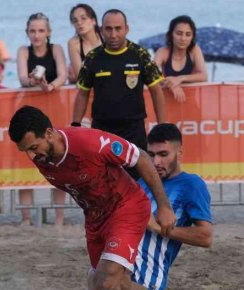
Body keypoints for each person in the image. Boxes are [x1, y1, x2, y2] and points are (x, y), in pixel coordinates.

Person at [8, 105, 188, 290]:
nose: (31, 156)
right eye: (25, 151)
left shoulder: (90, 142)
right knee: (113, 282)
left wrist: (165, 207)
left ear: (49, 134)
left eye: (33, 147)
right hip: (95, 218)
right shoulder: (44, 158)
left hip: (126, 207)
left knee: (106, 281)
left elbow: (142, 158)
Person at [128, 123, 212, 290]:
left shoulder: (191, 184)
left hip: (148, 272)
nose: (156, 162)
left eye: (163, 154)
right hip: (123, 257)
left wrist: (158, 228)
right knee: (97, 282)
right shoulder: (143, 182)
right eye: (151, 155)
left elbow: (205, 237)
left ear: (179, 152)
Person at [72, 9, 167, 176]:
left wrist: (162, 125)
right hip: (102, 130)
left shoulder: (140, 54)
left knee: (137, 179)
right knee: (104, 178)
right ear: (101, 30)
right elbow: (82, 93)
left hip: (134, 129)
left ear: (127, 29)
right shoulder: (93, 57)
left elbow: (156, 90)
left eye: (118, 28)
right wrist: (75, 125)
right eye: (108, 29)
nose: (113, 34)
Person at [16, 12, 69, 226]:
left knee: (57, 159)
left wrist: (51, 86)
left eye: (40, 31)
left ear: (48, 33)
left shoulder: (56, 49)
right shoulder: (23, 51)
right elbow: (20, 77)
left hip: (54, 109)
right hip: (29, 111)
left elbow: (63, 75)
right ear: (27, 33)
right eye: (32, 31)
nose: (36, 35)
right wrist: (31, 82)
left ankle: (58, 218)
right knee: (26, 162)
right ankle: (26, 217)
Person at [153, 16, 208, 103]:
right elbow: (150, 74)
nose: (183, 38)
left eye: (188, 34)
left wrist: (179, 79)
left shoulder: (194, 50)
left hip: (190, 105)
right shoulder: (163, 52)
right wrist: (172, 85)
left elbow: (203, 76)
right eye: (179, 33)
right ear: (171, 34)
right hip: (168, 105)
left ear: (192, 37)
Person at [66, 4, 102, 84]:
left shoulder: (105, 35)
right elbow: (81, 77)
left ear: (93, 21)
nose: (79, 23)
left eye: (83, 18)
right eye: (75, 21)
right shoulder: (73, 44)